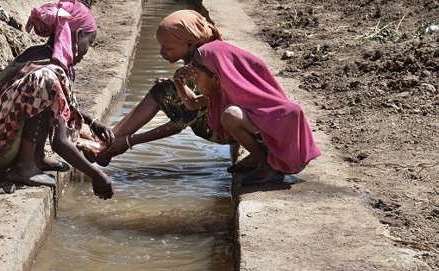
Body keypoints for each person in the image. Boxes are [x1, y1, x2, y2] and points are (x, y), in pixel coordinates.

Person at [0, 0, 114, 199]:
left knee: (47, 94)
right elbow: (60, 143)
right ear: (78, 35)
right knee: (45, 87)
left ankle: (35, 157)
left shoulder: (40, 55)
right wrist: (97, 175)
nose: (87, 49)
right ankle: (24, 167)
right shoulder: (47, 74)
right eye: (89, 42)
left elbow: (59, 105)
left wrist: (91, 121)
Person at [93, 9, 239, 165]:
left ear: (189, 44)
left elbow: (180, 123)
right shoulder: (200, 53)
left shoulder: (204, 67)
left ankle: (107, 143)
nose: (161, 53)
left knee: (162, 91)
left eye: (167, 48)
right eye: (161, 46)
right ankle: (108, 139)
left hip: (225, 130)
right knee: (164, 90)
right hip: (218, 120)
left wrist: (129, 142)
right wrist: (174, 84)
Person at [191, 41, 321, 184]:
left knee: (230, 115)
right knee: (232, 115)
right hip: (272, 144)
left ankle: (267, 166)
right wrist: (180, 83)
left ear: (216, 78)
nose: (194, 81)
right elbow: (193, 103)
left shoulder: (244, 94)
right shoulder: (229, 89)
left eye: (196, 75)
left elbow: (287, 115)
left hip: (289, 154)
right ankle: (258, 157)